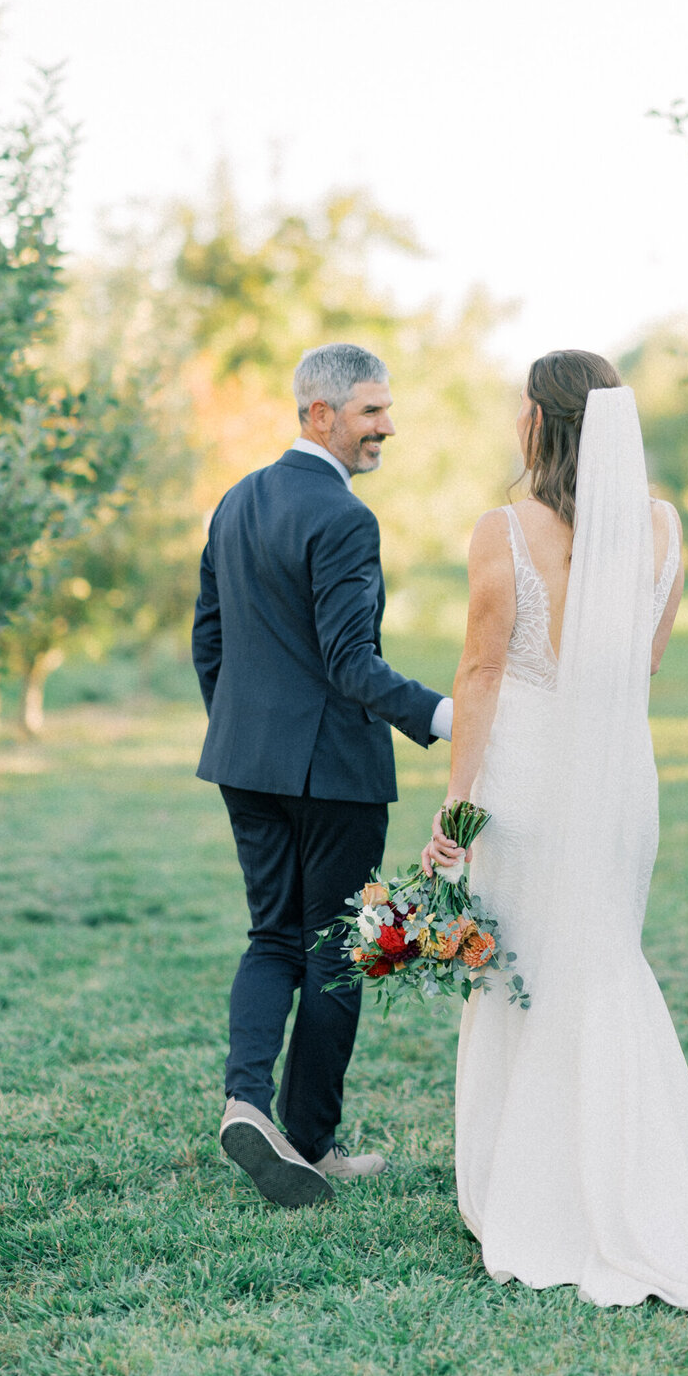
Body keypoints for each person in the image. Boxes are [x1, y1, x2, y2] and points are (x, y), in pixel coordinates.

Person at [422, 349, 688, 1313]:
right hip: (622, 781)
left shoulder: (502, 530)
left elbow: (482, 677)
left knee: (525, 979)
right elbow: (645, 665)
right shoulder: (661, 528)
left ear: (537, 424)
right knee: (600, 964)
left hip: (530, 784)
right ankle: (623, 1188)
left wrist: (455, 817)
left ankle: (542, 1198)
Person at [192, 342, 461, 1208]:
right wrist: (447, 716)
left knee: (272, 936)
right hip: (334, 774)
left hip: (245, 762)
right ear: (320, 414)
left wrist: (242, 732)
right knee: (337, 952)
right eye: (371, 411)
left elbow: (210, 642)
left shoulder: (235, 502)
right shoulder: (345, 518)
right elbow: (352, 663)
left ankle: (246, 1102)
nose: (387, 426)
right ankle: (309, 1141)